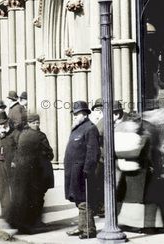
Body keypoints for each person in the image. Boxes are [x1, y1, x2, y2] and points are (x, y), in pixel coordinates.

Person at [9, 112, 54, 233]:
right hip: (38, 172)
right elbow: (49, 153)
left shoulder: (22, 134)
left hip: (23, 172)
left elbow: (18, 152)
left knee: (27, 197)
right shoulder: (40, 136)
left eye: (37, 123)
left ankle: (26, 222)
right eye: (34, 123)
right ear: (29, 123)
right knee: (39, 197)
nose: (36, 125)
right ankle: (37, 222)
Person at [64, 100, 100, 239]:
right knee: (78, 201)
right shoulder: (77, 128)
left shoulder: (90, 128)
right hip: (73, 172)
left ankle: (88, 230)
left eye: (77, 114)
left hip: (82, 173)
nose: (75, 116)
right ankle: (81, 227)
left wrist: (87, 171)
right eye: (74, 113)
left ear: (85, 114)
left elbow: (93, 152)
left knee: (85, 201)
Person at [0, 109, 19, 221]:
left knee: (15, 189)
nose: (3, 125)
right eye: (0, 124)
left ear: (8, 122)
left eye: (4, 123)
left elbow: (19, 149)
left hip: (12, 165)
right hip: (0, 165)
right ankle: (5, 212)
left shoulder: (14, 133)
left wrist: (15, 161)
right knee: (2, 189)